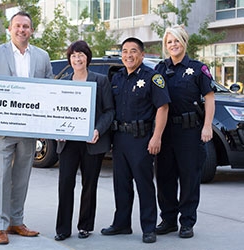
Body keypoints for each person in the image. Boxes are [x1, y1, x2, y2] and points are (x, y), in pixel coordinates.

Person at [0, 11, 53, 245]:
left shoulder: (42, 57)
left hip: (29, 129)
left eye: (26, 27)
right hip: (2, 129)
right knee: (1, 177)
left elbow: (49, 91)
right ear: (10, 29)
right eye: (18, 26)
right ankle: (0, 226)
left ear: (31, 30)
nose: (22, 30)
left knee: (22, 176)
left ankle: (16, 221)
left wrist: (48, 124)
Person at [101, 37, 170, 243]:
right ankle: (122, 223)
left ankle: (149, 227)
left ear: (141, 54)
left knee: (144, 184)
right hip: (120, 138)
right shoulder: (117, 77)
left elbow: (163, 108)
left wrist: (156, 137)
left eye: (133, 51)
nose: (128, 55)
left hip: (142, 139)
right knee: (121, 184)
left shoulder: (153, 77)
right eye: (124, 51)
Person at [154, 25, 215, 238]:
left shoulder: (198, 69)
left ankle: (187, 222)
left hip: (189, 131)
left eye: (176, 41)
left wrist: (207, 126)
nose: (173, 45)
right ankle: (168, 219)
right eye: (169, 42)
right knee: (164, 176)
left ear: (184, 42)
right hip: (166, 130)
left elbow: (209, 98)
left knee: (189, 177)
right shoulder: (160, 69)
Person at [54, 40, 115, 241]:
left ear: (87, 58)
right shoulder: (63, 83)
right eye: (73, 55)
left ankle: (85, 226)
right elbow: (56, 112)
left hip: (92, 141)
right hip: (68, 142)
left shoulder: (100, 80)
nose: (77, 59)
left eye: (80, 55)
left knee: (90, 185)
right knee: (65, 185)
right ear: (69, 59)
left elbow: (109, 111)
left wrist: (98, 129)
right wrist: (57, 130)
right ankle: (63, 228)